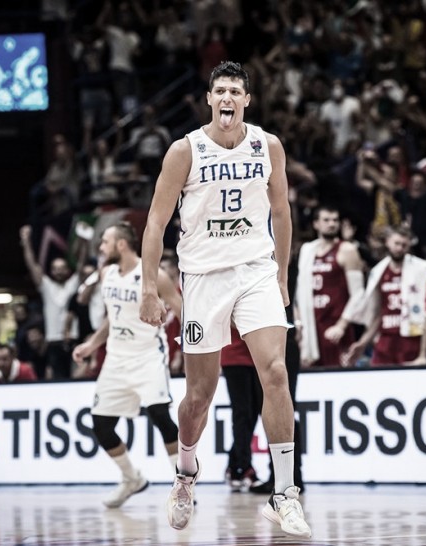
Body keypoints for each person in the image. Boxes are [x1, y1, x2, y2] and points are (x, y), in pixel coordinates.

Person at [138, 61, 311, 538]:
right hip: (204, 277)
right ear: (210, 100)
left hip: (255, 270)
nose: (228, 97)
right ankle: (186, 474)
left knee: (275, 371)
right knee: (199, 395)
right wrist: (149, 287)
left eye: (236, 90)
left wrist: (281, 275)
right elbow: (154, 223)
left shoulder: (267, 145)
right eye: (221, 91)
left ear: (247, 100)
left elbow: (281, 211)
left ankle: (285, 493)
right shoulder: (184, 150)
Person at [72, 222, 183, 509]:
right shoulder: (106, 273)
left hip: (147, 356)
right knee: (101, 424)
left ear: (121, 244)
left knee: (160, 415)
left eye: (105, 242)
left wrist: (194, 346)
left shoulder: (153, 275)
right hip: (116, 359)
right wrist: (91, 344)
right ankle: (131, 478)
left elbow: (180, 307)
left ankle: (183, 485)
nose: (101, 247)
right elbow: (113, 318)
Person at [343, 225, 426, 367]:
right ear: (387, 242)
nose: (400, 248)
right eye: (396, 244)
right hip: (386, 340)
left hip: (412, 339)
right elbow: (378, 314)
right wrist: (363, 343)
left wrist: (425, 351)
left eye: (404, 245)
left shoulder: (423, 268)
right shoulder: (378, 271)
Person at [295, 205, 365, 368]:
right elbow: (299, 293)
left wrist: (341, 325)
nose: (332, 224)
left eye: (335, 220)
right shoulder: (307, 251)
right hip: (311, 327)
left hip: (336, 326)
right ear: (316, 224)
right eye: (326, 220)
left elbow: (358, 293)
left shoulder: (347, 250)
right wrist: (299, 324)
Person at [20, 224, 85, 379]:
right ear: (51, 271)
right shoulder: (47, 287)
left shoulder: (73, 284)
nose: (59, 271)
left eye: (62, 267)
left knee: (77, 377)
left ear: (68, 270)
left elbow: (82, 264)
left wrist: (84, 240)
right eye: (55, 268)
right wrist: (26, 242)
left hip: (73, 340)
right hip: (53, 341)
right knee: (58, 379)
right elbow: (32, 265)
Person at [221, 327, 263, 492]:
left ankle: (234, 466)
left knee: (251, 414)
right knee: (242, 414)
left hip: (256, 355)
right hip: (234, 355)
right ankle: (245, 468)